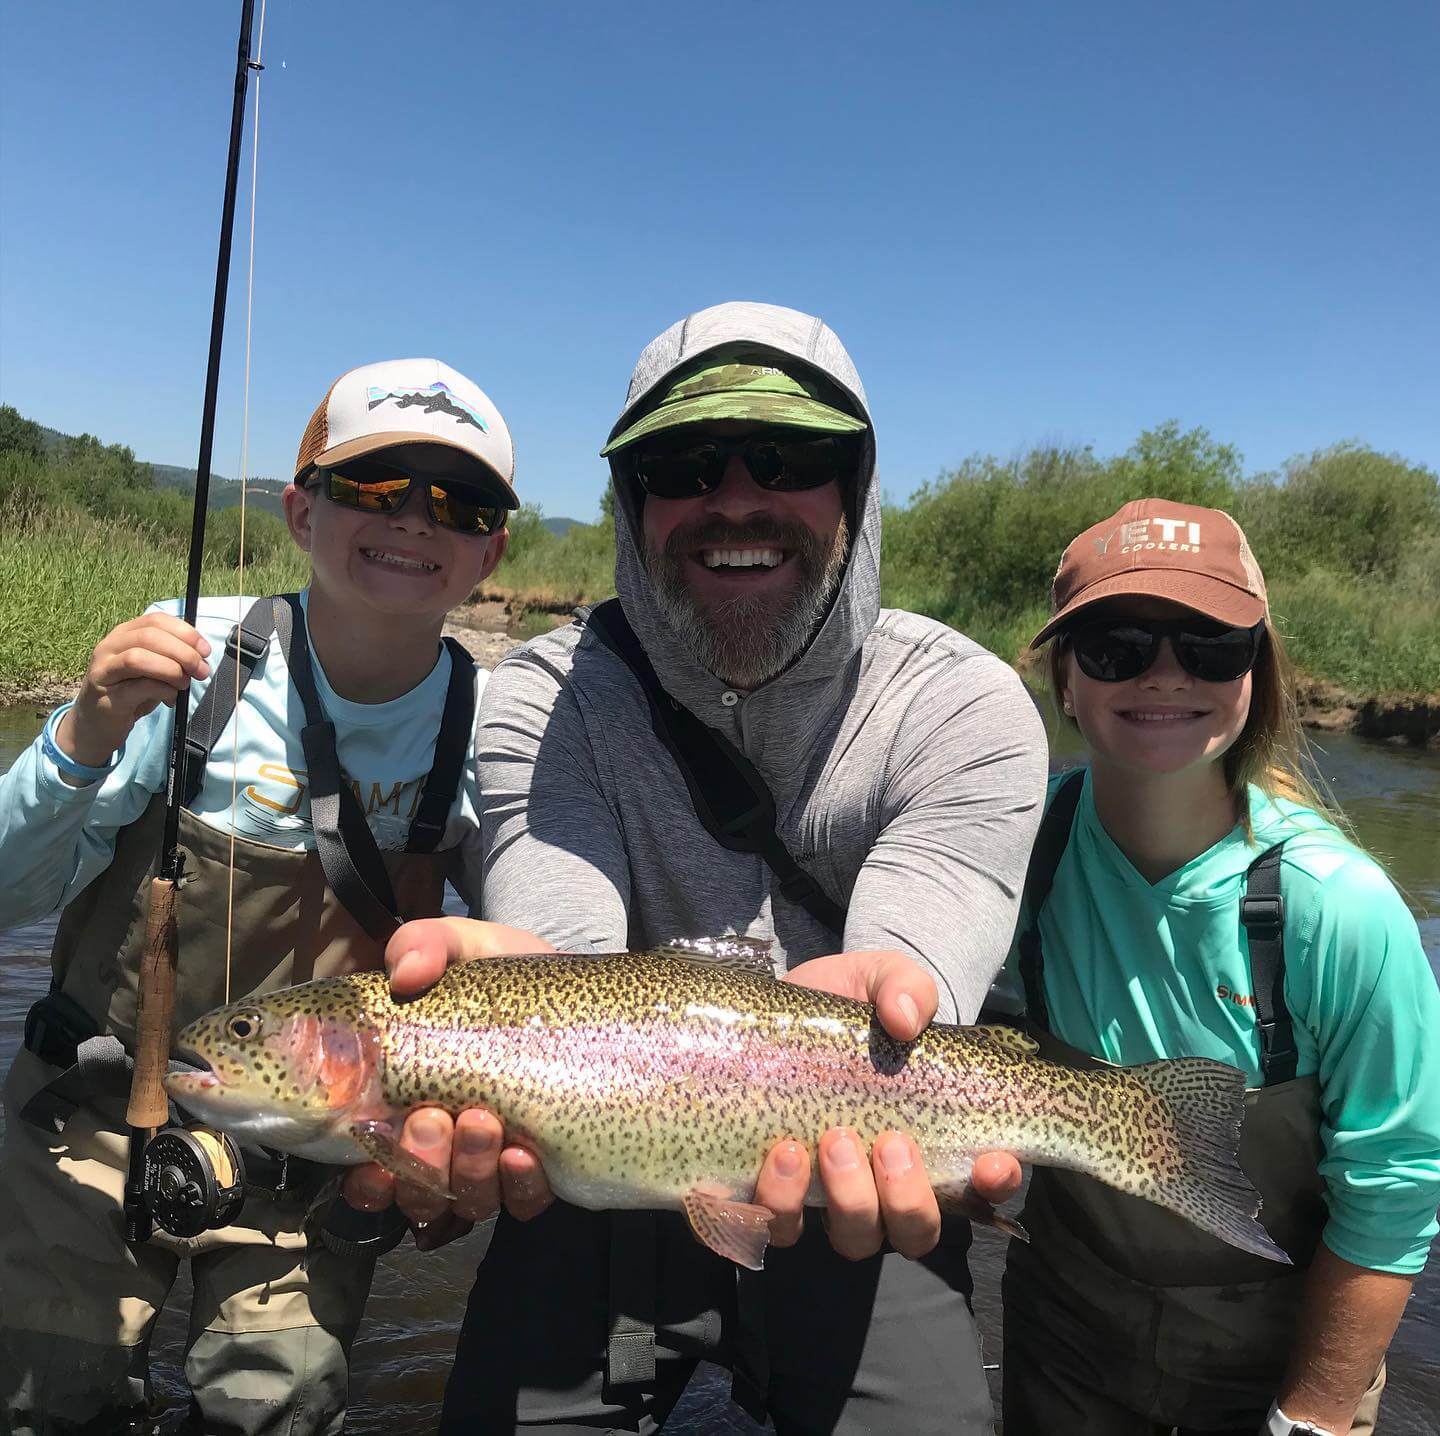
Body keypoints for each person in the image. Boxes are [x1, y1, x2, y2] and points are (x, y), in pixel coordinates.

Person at [344, 300, 1049, 1434]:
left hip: (861, 1170)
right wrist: (507, 1030)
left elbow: (914, 972)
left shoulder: (964, 706)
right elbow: (564, 953)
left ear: (858, 491)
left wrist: (895, 988)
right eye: (681, 463)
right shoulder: (544, 693)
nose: (733, 496)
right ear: (631, 500)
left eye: (790, 455)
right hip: (597, 1164)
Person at [0, 357, 519, 1435]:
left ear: (493, 549)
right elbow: (12, 892)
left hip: (313, 1161)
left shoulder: (494, 729)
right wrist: (81, 736)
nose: (416, 520)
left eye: (459, 501)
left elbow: (532, 962)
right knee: (39, 1399)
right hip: (86, 1121)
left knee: (275, 1410)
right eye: (377, 486)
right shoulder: (188, 658)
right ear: (300, 508)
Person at [998, 499, 1440, 1436]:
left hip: (1285, 1350)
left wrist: (1312, 1416)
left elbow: (1396, 1192)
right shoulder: (1011, 850)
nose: (1165, 674)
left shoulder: (1338, 908)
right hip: (1065, 1332)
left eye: (1210, 645)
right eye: (1118, 643)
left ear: (1257, 674)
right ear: (1064, 680)